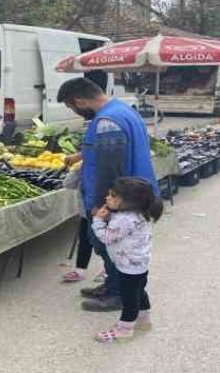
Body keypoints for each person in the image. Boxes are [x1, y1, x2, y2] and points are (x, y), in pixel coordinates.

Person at [58, 77, 159, 312]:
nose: (75, 112)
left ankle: (118, 294)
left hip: (121, 199)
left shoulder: (107, 122)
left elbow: (110, 168)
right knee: (112, 247)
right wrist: (81, 155)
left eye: (72, 107)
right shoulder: (122, 110)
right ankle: (112, 285)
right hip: (133, 192)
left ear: (80, 101)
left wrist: (101, 205)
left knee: (113, 247)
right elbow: (105, 151)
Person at [92, 177, 163, 343]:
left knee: (128, 298)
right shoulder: (139, 213)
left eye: (113, 196)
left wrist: (98, 220)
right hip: (139, 264)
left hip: (128, 266)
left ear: (128, 202)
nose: (107, 198)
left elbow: (107, 237)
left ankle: (125, 329)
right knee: (139, 291)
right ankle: (144, 320)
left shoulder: (124, 219)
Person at [61, 161, 105, 283]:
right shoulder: (83, 168)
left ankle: (108, 270)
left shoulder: (109, 167)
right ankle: (80, 270)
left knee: (105, 243)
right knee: (84, 240)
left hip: (104, 214)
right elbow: (68, 184)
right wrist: (77, 170)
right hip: (86, 213)